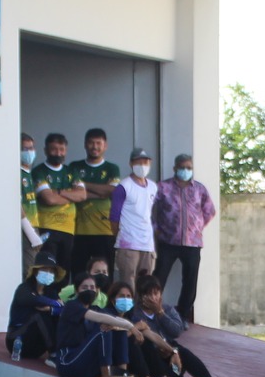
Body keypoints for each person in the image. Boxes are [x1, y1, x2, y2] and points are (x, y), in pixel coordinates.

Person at [128, 277, 228, 377]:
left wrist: (160, 313)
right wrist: (169, 350)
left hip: (171, 355)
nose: (154, 298)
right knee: (162, 357)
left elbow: (177, 331)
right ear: (142, 297)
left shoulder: (168, 309)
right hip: (153, 357)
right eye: (149, 294)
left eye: (156, 293)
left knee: (182, 354)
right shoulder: (135, 314)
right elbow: (149, 337)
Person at [152, 153, 215, 325]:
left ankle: (182, 315)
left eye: (189, 167)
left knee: (190, 280)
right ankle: (152, 312)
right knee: (158, 278)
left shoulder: (199, 189)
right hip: (167, 242)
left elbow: (209, 211)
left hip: (192, 244)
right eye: (182, 167)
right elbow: (150, 210)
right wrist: (157, 230)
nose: (185, 170)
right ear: (175, 168)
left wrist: (196, 228)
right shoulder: (162, 187)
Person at [51, 270, 133, 377]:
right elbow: (99, 317)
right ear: (76, 290)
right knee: (104, 330)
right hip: (68, 362)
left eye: (92, 287)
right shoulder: (72, 306)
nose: (89, 290)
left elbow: (116, 320)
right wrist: (130, 326)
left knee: (118, 328)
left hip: (86, 364)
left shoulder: (95, 308)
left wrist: (131, 328)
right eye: (85, 287)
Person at [67, 128, 121, 283]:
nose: (95, 147)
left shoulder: (112, 168)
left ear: (105, 146)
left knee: (105, 274)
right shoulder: (74, 167)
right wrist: (99, 192)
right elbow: (73, 193)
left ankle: (103, 306)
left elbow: (112, 191)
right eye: (91, 143)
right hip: (78, 230)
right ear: (85, 145)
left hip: (105, 230)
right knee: (78, 273)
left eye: (98, 143)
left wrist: (83, 187)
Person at [29, 133, 84, 276]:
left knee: (64, 272)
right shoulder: (39, 171)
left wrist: (58, 192)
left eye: (61, 149)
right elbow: (49, 199)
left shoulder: (71, 171)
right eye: (54, 149)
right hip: (47, 227)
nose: (58, 153)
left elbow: (82, 195)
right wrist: (71, 195)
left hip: (68, 230)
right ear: (46, 150)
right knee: (47, 270)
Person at [108, 147, 160, 294]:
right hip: (128, 243)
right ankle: (128, 315)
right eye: (138, 162)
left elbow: (152, 213)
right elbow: (114, 216)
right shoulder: (124, 186)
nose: (142, 165)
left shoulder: (153, 187)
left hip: (147, 244)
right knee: (127, 283)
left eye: (145, 162)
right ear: (131, 163)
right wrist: (119, 236)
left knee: (146, 283)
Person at [8, 249, 65, 362]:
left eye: (51, 271)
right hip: (16, 338)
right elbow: (32, 299)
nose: (48, 273)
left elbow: (64, 309)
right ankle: (53, 354)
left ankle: (62, 351)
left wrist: (51, 309)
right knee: (39, 314)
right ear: (35, 271)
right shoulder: (24, 288)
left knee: (55, 315)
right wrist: (54, 303)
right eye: (44, 269)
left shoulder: (51, 292)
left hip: (38, 347)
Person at [20, 132, 44, 269]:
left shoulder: (29, 173)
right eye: (25, 149)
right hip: (25, 229)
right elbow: (17, 206)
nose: (29, 152)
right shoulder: (17, 173)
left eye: (31, 148)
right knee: (30, 271)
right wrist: (31, 234)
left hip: (34, 226)